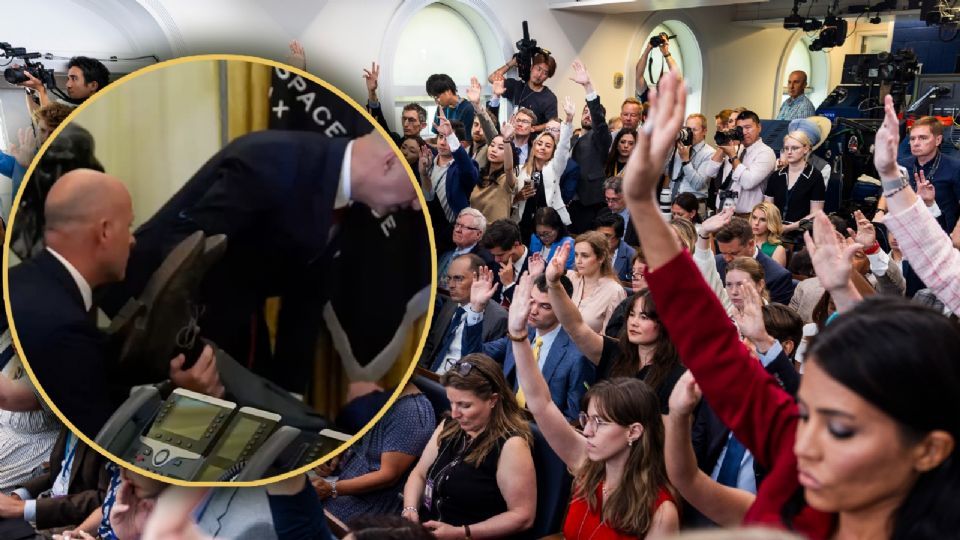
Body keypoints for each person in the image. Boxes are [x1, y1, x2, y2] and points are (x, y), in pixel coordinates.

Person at [620, 69, 960, 539]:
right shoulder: (798, 458)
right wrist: (640, 200)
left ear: (928, 449)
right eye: (805, 411)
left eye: (840, 429)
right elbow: (709, 341)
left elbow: (945, 272)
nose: (806, 445)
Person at [8, 170, 220, 438]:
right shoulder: (63, 329)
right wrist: (191, 403)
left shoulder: (21, 282)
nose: (132, 240)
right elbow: (112, 450)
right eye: (129, 226)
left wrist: (165, 387)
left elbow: (78, 383)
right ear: (105, 232)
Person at [507, 272, 679, 538]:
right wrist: (518, 335)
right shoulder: (586, 465)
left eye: (599, 422)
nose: (585, 431)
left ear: (634, 431)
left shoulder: (661, 511)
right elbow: (541, 404)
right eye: (587, 420)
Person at [402, 354, 536, 539]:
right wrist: (410, 509)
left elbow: (523, 516)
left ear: (493, 400)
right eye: (451, 402)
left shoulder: (512, 445)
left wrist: (461, 533)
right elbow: (419, 474)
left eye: (464, 405)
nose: (455, 413)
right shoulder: (450, 424)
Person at [546, 242, 684, 410]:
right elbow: (576, 326)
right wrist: (554, 284)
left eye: (644, 317)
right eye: (631, 314)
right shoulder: (616, 352)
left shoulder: (677, 376)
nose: (633, 322)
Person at [462, 269, 592, 421]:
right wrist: (476, 309)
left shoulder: (577, 355)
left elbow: (573, 418)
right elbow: (472, 359)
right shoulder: (520, 332)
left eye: (545, 306)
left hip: (541, 433)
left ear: (563, 307)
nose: (533, 310)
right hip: (502, 419)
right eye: (531, 300)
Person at [317, 382, 435, 522]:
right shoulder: (381, 399)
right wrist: (337, 453)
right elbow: (363, 440)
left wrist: (331, 488)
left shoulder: (412, 413)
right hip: (342, 485)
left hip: (365, 508)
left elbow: (388, 476)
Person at [422, 254, 507, 374]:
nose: (451, 285)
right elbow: (431, 344)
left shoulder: (498, 318)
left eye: (458, 278)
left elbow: (487, 368)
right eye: (449, 278)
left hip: (461, 384)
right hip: (429, 376)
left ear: (479, 279)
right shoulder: (451, 303)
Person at [513, 96, 576, 239]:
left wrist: (569, 120)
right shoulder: (521, 169)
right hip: (524, 224)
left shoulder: (555, 168)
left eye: (548, 146)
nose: (542, 148)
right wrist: (518, 196)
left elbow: (563, 148)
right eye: (539, 144)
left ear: (553, 151)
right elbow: (509, 199)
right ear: (534, 146)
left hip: (551, 224)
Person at [568, 60, 613, 234]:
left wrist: (588, 87)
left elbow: (599, 121)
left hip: (590, 202)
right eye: (584, 111)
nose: (588, 114)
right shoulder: (572, 138)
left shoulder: (601, 137)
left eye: (591, 113)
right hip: (569, 201)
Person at [705, 110, 776, 215]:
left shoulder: (766, 153)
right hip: (722, 211)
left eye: (748, 127)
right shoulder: (735, 148)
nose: (744, 132)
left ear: (759, 127)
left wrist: (733, 156)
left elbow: (748, 182)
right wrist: (723, 145)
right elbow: (710, 172)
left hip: (746, 216)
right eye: (740, 128)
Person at [712, 216, 795, 305]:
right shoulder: (715, 263)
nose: (727, 258)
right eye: (723, 253)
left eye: (734, 253)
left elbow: (776, 317)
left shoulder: (778, 277)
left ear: (751, 244)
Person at [567, 231, 627, 334]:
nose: (578, 261)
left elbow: (609, 338)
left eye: (585, 256)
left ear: (601, 258)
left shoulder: (614, 292)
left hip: (588, 348)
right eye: (576, 255)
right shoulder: (570, 277)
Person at [763, 131, 825, 228]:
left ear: (806, 149)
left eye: (795, 148)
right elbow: (767, 208)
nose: (789, 152)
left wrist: (788, 228)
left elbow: (815, 215)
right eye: (786, 148)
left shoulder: (815, 176)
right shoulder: (776, 176)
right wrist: (775, 227)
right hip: (774, 231)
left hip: (801, 235)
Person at [488, 52, 558, 134]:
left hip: (530, 142)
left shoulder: (549, 98)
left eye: (545, 73)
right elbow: (492, 78)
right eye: (538, 69)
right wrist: (511, 64)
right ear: (532, 67)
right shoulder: (517, 86)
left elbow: (553, 124)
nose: (539, 75)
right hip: (510, 136)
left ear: (547, 77)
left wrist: (533, 128)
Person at [470, 119, 518, 224]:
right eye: (492, 145)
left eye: (501, 148)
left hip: (497, 235)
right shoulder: (480, 174)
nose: (494, 149)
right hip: (476, 233)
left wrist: (506, 140)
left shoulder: (507, 179)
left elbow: (509, 168)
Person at [595, 213, 636, 285]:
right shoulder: (590, 249)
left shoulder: (631, 255)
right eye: (599, 235)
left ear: (619, 235)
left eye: (607, 236)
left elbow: (634, 288)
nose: (601, 239)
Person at [530, 206, 575, 271]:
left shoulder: (568, 244)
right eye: (539, 234)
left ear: (557, 228)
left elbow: (568, 272)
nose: (542, 238)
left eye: (547, 233)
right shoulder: (535, 238)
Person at [751, 202, 787, 267]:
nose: (756, 223)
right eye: (754, 217)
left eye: (763, 220)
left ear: (772, 222)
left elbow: (776, 276)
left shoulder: (778, 250)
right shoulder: (743, 241)